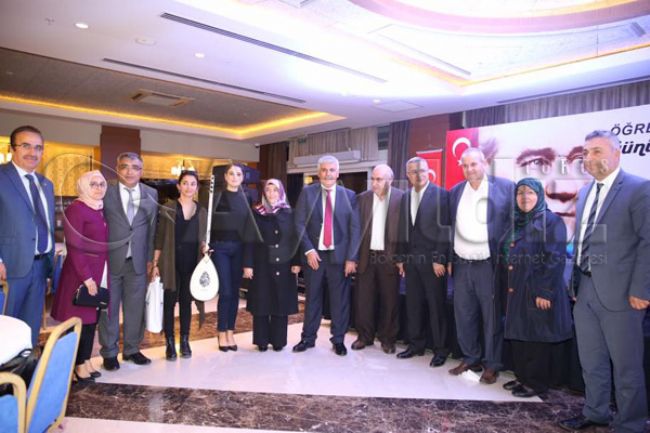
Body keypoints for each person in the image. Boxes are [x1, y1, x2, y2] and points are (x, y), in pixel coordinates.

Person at [560, 131, 650, 433]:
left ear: (616, 153)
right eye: (586, 152)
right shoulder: (586, 192)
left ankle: (631, 424)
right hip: (585, 291)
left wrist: (641, 289)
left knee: (627, 367)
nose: (589, 158)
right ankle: (595, 412)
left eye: (597, 151)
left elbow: (647, 243)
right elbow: (583, 241)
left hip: (623, 295)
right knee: (591, 360)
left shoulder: (639, 189)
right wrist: (574, 284)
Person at [498, 178, 572, 398]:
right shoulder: (517, 221)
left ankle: (536, 383)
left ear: (539, 196)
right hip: (516, 287)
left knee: (535, 339)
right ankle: (522, 377)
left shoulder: (551, 221)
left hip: (536, 288)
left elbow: (554, 259)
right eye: (520, 193)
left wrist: (544, 292)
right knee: (520, 336)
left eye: (530, 192)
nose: (524, 197)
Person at [447, 148, 514, 384]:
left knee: (491, 318)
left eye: (473, 164)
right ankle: (470, 357)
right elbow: (450, 227)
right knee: (464, 315)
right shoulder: (455, 191)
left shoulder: (505, 188)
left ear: (484, 163)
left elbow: (513, 225)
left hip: (489, 266)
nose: (469, 169)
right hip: (462, 266)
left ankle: (492, 364)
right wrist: (449, 259)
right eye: (465, 166)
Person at [292, 155, 360, 356]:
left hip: (340, 258)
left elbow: (355, 228)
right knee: (312, 298)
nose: (328, 173)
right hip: (314, 256)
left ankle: (338, 340)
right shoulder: (307, 192)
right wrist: (308, 250)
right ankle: (308, 338)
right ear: (318, 172)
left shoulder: (350, 196)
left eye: (331, 170)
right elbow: (299, 223)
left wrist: (351, 258)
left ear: (338, 173)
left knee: (340, 300)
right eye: (324, 170)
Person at [98, 152, 158, 371]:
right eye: (124, 166)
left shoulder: (151, 193)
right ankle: (109, 352)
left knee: (135, 309)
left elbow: (152, 229)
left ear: (141, 171)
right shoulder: (105, 191)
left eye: (135, 167)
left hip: (139, 262)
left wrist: (151, 259)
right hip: (110, 260)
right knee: (109, 309)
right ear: (117, 169)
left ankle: (132, 349)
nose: (130, 171)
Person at [51, 170, 110, 382]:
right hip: (80, 274)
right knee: (79, 321)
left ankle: (85, 360)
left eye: (102, 184)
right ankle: (76, 365)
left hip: (98, 271)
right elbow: (75, 247)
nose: (98, 188)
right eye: (93, 184)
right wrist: (87, 278)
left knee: (91, 320)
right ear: (84, 186)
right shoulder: (76, 209)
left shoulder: (99, 208)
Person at [0, 125, 55, 346]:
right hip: (10, 267)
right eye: (26, 146)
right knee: (6, 326)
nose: (33, 152)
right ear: (12, 148)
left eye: (38, 148)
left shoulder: (46, 184)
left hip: (41, 267)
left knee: (30, 326)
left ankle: (26, 365)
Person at [396, 157, 451, 367]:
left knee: (436, 307)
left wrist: (439, 259)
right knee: (413, 305)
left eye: (421, 170)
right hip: (411, 262)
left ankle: (440, 349)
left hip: (433, 263)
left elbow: (445, 229)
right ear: (407, 175)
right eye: (413, 172)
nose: (418, 175)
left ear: (428, 171)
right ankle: (416, 345)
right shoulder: (406, 196)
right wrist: (400, 258)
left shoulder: (441, 194)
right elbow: (403, 228)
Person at [152, 170, 207, 360]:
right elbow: (159, 237)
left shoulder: (202, 211)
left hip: (192, 264)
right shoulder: (168, 207)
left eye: (193, 183)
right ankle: (169, 342)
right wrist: (155, 263)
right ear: (178, 186)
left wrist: (205, 247)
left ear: (197, 187)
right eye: (185, 183)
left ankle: (184, 340)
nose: (189, 187)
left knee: (186, 303)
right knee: (169, 303)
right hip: (170, 262)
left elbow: (202, 238)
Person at [243, 178, 300, 352]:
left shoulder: (289, 213)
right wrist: (248, 264)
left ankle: (278, 341)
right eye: (268, 190)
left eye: (275, 190)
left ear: (281, 192)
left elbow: (295, 239)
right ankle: (261, 340)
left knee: (280, 301)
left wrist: (296, 262)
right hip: (261, 263)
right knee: (261, 301)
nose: (271, 193)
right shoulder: (256, 213)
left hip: (284, 264)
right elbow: (249, 240)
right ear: (264, 193)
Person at [353, 164, 404, 354]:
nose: (374, 183)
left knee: (389, 302)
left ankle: (387, 339)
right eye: (372, 179)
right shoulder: (362, 199)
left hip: (389, 258)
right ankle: (364, 337)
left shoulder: (401, 198)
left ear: (390, 180)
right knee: (363, 300)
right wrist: (353, 257)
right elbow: (354, 230)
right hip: (366, 256)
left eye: (379, 179)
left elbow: (405, 231)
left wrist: (402, 258)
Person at [209, 163, 255, 352]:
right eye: (231, 174)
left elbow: (250, 229)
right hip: (220, 249)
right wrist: (206, 244)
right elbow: (208, 224)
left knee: (234, 292)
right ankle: (221, 332)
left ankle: (230, 331)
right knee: (226, 292)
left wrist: (248, 261)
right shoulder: (216, 196)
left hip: (239, 249)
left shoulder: (248, 198)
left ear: (242, 178)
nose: (235, 177)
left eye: (238, 174)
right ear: (226, 177)